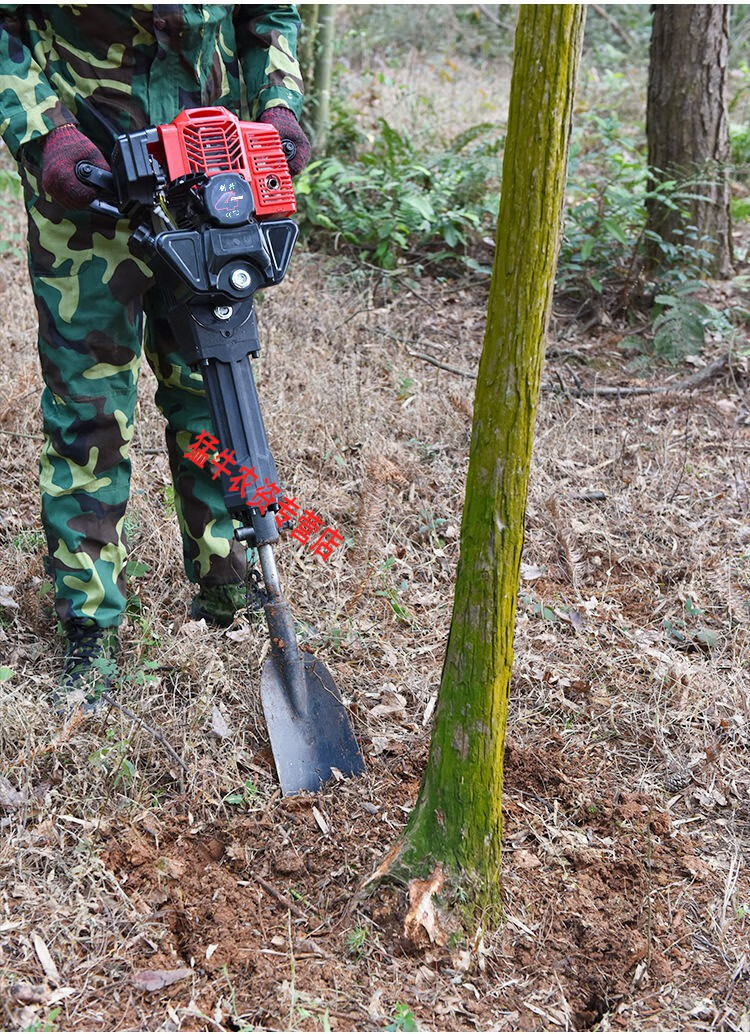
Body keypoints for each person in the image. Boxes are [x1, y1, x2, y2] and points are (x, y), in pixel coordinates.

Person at [0, 5, 311, 712]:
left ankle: (228, 592)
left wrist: (280, 105)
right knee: (90, 417)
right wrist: (43, 130)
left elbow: (270, 16)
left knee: (213, 405)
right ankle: (91, 628)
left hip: (206, 182)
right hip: (85, 189)